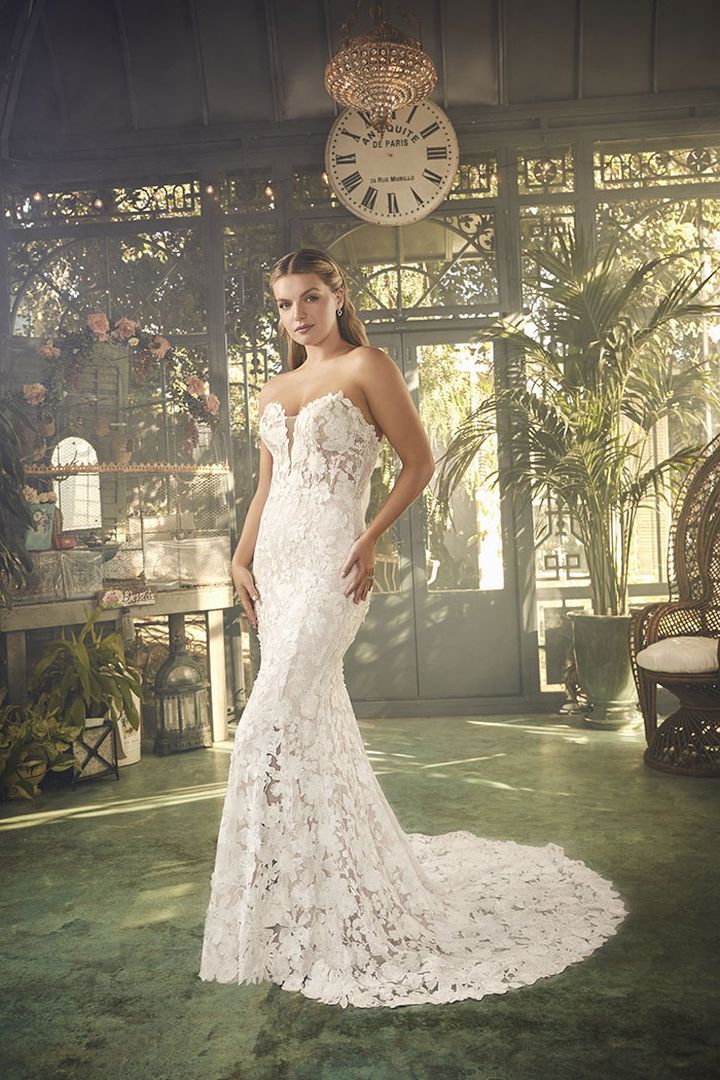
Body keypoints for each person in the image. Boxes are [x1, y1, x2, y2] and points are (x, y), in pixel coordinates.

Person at [199, 248, 627, 1008]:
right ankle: (307, 895)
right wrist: (238, 555)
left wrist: (367, 539)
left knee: (267, 724)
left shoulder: (369, 366)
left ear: (336, 298)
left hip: (333, 567)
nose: (297, 315)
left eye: (309, 298)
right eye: (284, 304)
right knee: (306, 723)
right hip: (277, 565)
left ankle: (290, 901)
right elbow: (266, 488)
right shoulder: (275, 386)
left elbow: (419, 464)